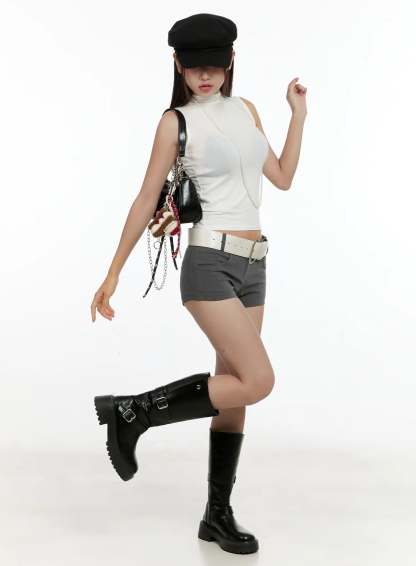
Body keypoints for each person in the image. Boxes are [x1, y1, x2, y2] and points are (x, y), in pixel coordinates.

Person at [90, 12, 307, 555]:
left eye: (214, 65)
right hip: (209, 262)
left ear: (231, 61)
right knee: (258, 381)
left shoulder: (246, 110)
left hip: (254, 265)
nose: (205, 76)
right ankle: (134, 411)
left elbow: (281, 177)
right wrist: (113, 272)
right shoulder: (176, 122)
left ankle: (216, 514)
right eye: (194, 67)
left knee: (235, 395)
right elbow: (146, 197)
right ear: (178, 65)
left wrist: (298, 115)